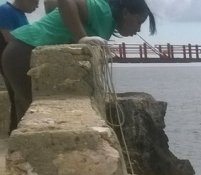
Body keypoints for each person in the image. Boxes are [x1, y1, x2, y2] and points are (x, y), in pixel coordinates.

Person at [0, 0, 155, 131]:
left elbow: (51, 4)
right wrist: (81, 37)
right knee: (36, 117)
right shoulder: (102, 9)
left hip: (20, 52)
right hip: (23, 53)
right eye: (139, 22)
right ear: (126, 12)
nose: (138, 29)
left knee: (26, 114)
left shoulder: (108, 22)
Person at [0, 0, 38, 131]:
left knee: (20, 97)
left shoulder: (20, 13)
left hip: (18, 60)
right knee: (17, 96)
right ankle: (17, 131)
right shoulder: (5, 10)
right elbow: (9, 38)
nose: (37, 5)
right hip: (11, 61)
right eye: (36, 2)